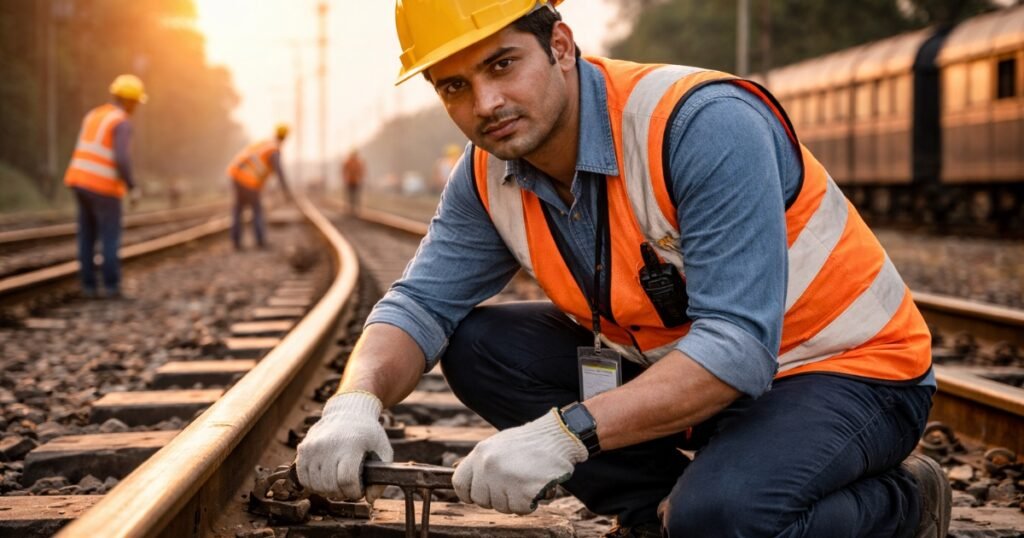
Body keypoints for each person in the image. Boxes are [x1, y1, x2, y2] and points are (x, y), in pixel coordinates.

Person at [296, 2, 951, 537]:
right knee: (478, 346)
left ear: (559, 44)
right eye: (456, 86)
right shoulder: (489, 170)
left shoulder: (699, 125)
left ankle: (904, 502)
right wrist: (356, 403)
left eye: (502, 64)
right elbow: (419, 305)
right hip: (692, 378)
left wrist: (563, 436)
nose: (487, 102)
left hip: (848, 372)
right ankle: (656, 517)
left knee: (726, 519)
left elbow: (738, 350)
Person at [64, 74, 146, 299]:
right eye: (136, 102)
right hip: (103, 185)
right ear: (131, 101)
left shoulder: (94, 114)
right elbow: (121, 157)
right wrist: (132, 186)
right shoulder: (121, 121)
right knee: (109, 236)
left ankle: (88, 286)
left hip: (79, 180)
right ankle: (111, 286)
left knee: (87, 236)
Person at [226, 124, 291, 249]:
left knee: (238, 209)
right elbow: (279, 171)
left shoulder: (265, 143)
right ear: (285, 137)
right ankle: (260, 240)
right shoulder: (274, 150)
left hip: (235, 174)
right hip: (249, 180)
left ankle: (236, 241)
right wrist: (286, 191)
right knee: (257, 209)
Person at [341, 149, 365, 214]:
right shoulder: (348, 162)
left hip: (356, 182)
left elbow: (362, 171)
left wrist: (360, 178)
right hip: (349, 181)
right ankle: (350, 209)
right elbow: (344, 171)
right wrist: (345, 178)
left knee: (356, 196)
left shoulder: (358, 162)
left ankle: (356, 209)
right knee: (350, 196)